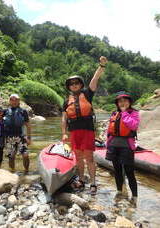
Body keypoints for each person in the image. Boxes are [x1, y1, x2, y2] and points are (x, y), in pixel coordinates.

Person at [61, 56, 108, 194]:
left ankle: (93, 182)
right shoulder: (66, 101)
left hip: (87, 131)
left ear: (81, 85)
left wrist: (101, 66)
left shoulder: (87, 94)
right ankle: (81, 180)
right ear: (69, 87)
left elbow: (94, 80)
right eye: (71, 83)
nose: (74, 85)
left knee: (89, 157)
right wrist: (64, 132)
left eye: (76, 82)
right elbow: (64, 118)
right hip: (74, 132)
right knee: (78, 158)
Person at [106, 91, 140, 204]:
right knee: (117, 171)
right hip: (113, 146)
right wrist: (108, 143)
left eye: (125, 100)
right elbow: (109, 131)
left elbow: (133, 125)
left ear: (129, 102)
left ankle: (134, 197)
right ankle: (119, 191)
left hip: (126, 147)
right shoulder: (114, 113)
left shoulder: (134, 113)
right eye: (120, 101)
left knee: (129, 172)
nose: (123, 102)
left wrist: (125, 113)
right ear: (117, 103)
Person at [4, 94, 31, 174]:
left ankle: (26, 171)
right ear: (10, 101)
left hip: (21, 137)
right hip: (9, 137)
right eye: (12, 100)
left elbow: (28, 125)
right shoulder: (5, 112)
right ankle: (12, 172)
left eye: (16, 100)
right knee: (11, 157)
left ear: (19, 101)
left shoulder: (23, 112)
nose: (14, 101)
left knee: (25, 155)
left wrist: (29, 137)